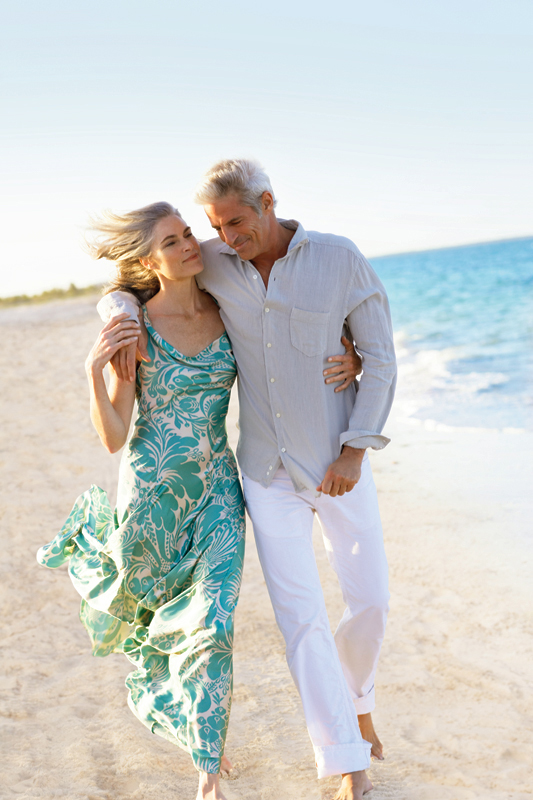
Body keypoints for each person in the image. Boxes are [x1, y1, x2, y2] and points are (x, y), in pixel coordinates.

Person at [37, 201, 360, 800]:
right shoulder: (137, 327)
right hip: (153, 498)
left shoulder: (226, 309)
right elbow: (112, 435)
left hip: (218, 493)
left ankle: (207, 774)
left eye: (189, 233)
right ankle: (196, 730)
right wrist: (93, 371)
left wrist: (351, 354)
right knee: (162, 628)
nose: (190, 245)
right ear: (147, 259)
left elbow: (280, 354)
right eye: (173, 241)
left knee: (214, 623)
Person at [101, 159, 397, 800]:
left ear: (268, 202)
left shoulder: (339, 258)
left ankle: (359, 698)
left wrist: (355, 451)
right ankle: (347, 763)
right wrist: (114, 311)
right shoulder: (213, 260)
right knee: (301, 620)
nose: (226, 238)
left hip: (338, 465)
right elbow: (133, 279)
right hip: (264, 473)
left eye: (236, 222)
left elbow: (380, 357)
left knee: (371, 602)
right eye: (215, 228)